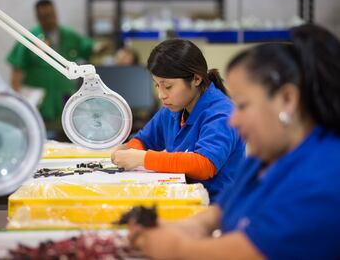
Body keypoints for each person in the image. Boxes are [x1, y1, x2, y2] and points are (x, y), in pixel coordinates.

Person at [127, 24, 340, 259]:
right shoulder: (265, 156)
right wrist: (186, 227)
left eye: (243, 105)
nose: (234, 120)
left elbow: (248, 252)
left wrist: (176, 247)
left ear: (287, 99)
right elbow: (221, 211)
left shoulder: (323, 177)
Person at [111, 39, 246, 202]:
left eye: (167, 86)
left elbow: (205, 165)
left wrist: (142, 158)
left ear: (196, 79)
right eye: (156, 85)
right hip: (184, 199)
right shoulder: (173, 109)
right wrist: (127, 151)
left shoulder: (221, 114)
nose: (161, 95)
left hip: (218, 208)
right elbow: (144, 140)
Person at [7, 0, 102, 140]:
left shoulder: (69, 35)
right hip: (39, 102)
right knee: (36, 137)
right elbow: (17, 68)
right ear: (38, 17)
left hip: (64, 99)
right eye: (44, 17)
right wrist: (18, 100)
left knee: (67, 136)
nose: (49, 19)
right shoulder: (30, 37)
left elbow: (90, 48)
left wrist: (102, 47)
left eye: (51, 15)